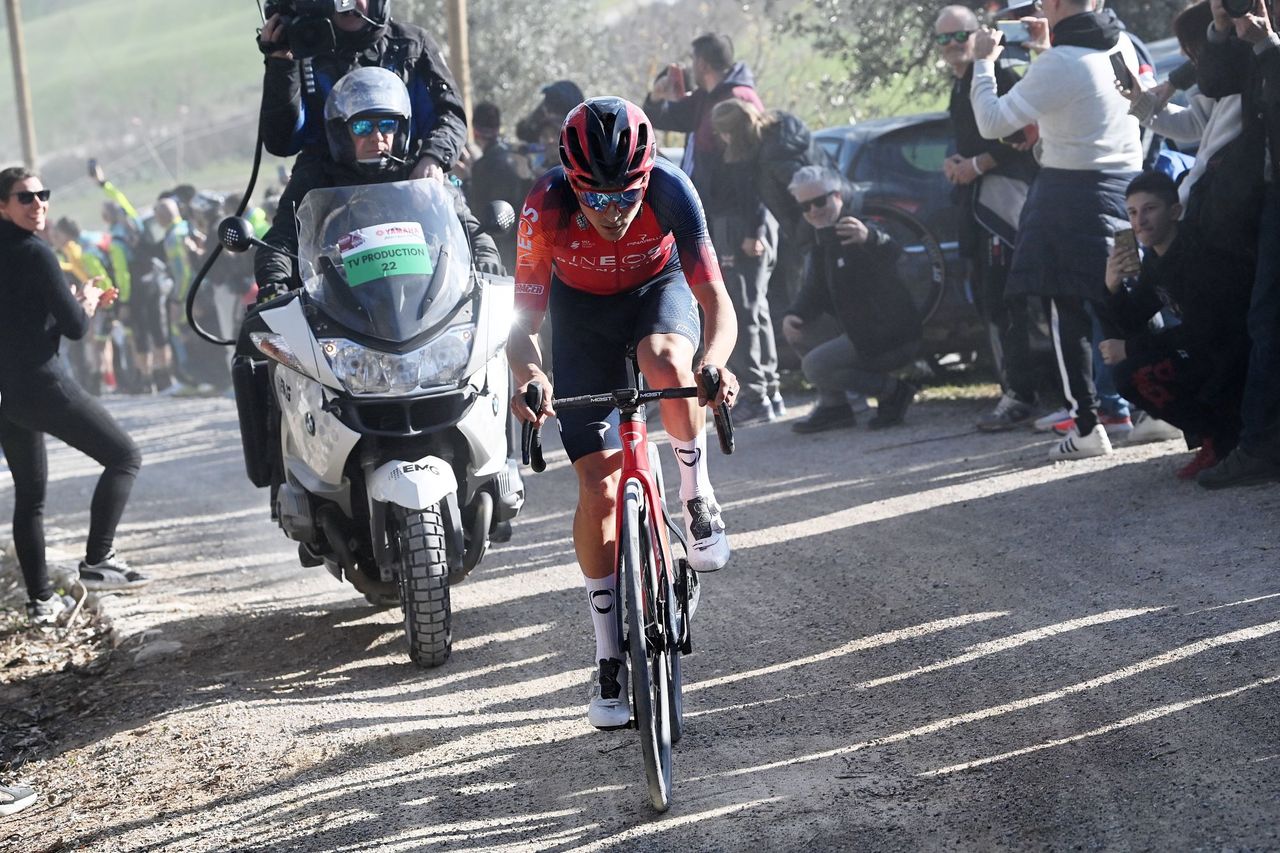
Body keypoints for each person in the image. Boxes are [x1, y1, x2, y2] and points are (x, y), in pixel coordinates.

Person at [507, 97, 738, 729]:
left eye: (626, 196)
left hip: (656, 296)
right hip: (579, 318)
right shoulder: (544, 206)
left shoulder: (671, 189)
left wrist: (714, 364)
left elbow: (714, 298)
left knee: (668, 360)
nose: (612, 213)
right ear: (571, 184)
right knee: (599, 490)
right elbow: (522, 325)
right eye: (596, 198)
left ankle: (696, 495)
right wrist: (530, 378)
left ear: (647, 177)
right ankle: (609, 655)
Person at [969, 0, 1145, 460]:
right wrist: (1045, 50)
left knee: (1065, 306)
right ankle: (1157, 410)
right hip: (1124, 185)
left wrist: (984, 63)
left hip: (1070, 193)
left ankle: (1086, 426)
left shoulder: (1060, 62)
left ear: (1060, 4)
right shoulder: (1118, 44)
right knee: (1126, 300)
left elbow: (992, 121)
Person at [0, 167, 150, 626]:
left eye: (42, 195)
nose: (38, 204)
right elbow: (76, 328)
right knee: (124, 456)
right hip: (45, 383)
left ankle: (41, 603)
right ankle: (98, 560)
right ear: (2, 206)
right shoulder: (36, 252)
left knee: (31, 498)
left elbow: (21, 316)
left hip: (10, 396)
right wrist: (85, 299)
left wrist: (63, 300)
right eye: (25, 198)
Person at [256, 66, 501, 295]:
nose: (377, 137)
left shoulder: (421, 172)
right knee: (256, 334)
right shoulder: (317, 176)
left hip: (426, 305)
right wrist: (274, 281)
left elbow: (468, 228)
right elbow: (281, 239)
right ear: (342, 131)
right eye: (363, 126)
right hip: (337, 312)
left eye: (387, 124)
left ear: (401, 129)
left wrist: (487, 260)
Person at [645, 33, 783, 424]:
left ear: (701, 63)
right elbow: (659, 118)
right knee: (746, 304)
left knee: (742, 307)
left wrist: (755, 226)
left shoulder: (735, 98)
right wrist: (657, 96)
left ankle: (759, 396)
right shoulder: (709, 99)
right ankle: (765, 394)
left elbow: (756, 168)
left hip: (740, 222)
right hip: (723, 219)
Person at [1099, 171, 1253, 478]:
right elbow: (1132, 320)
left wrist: (1130, 348)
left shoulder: (1197, 255)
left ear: (1175, 211)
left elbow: (1205, 330)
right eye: (1132, 212)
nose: (1140, 221)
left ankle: (1224, 438)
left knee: (1134, 372)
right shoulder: (1157, 260)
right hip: (1211, 353)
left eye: (1149, 209)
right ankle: (1216, 438)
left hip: (1240, 356)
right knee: (1127, 372)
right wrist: (1111, 287)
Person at [934, 4, 1042, 431]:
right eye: (943, 39)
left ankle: (1022, 394)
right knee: (990, 300)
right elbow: (972, 138)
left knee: (1007, 299)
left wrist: (977, 165)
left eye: (959, 35)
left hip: (1006, 206)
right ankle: (1013, 389)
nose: (952, 45)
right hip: (976, 207)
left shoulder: (999, 74)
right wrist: (957, 163)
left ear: (979, 33)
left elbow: (1026, 135)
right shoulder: (960, 84)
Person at [1193, 0, 1280, 488]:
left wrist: (1268, 44)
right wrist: (1222, 28)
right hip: (1270, 198)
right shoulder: (1255, 39)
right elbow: (1214, 84)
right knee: (1264, 319)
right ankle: (1259, 444)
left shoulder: (1268, 44)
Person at [257, 0, 466, 182]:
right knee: (285, 226)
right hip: (323, 186)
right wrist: (281, 64)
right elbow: (281, 143)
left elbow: (451, 115)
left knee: (470, 227)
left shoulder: (414, 45)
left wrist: (433, 158)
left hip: (411, 177)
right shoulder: (302, 50)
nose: (346, 2)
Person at [782, 166, 923, 433]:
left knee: (814, 367)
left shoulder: (857, 226)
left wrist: (871, 238)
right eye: (805, 206)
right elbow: (815, 291)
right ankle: (834, 407)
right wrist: (795, 313)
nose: (813, 211)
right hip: (860, 333)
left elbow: (897, 255)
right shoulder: (823, 238)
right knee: (798, 329)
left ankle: (893, 391)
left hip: (890, 335)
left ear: (837, 196)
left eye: (820, 201)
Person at [467, 102, 534, 272]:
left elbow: (476, 211)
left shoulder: (483, 166)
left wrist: (467, 179)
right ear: (498, 127)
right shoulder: (513, 156)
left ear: (474, 131)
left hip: (498, 246)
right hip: (522, 239)